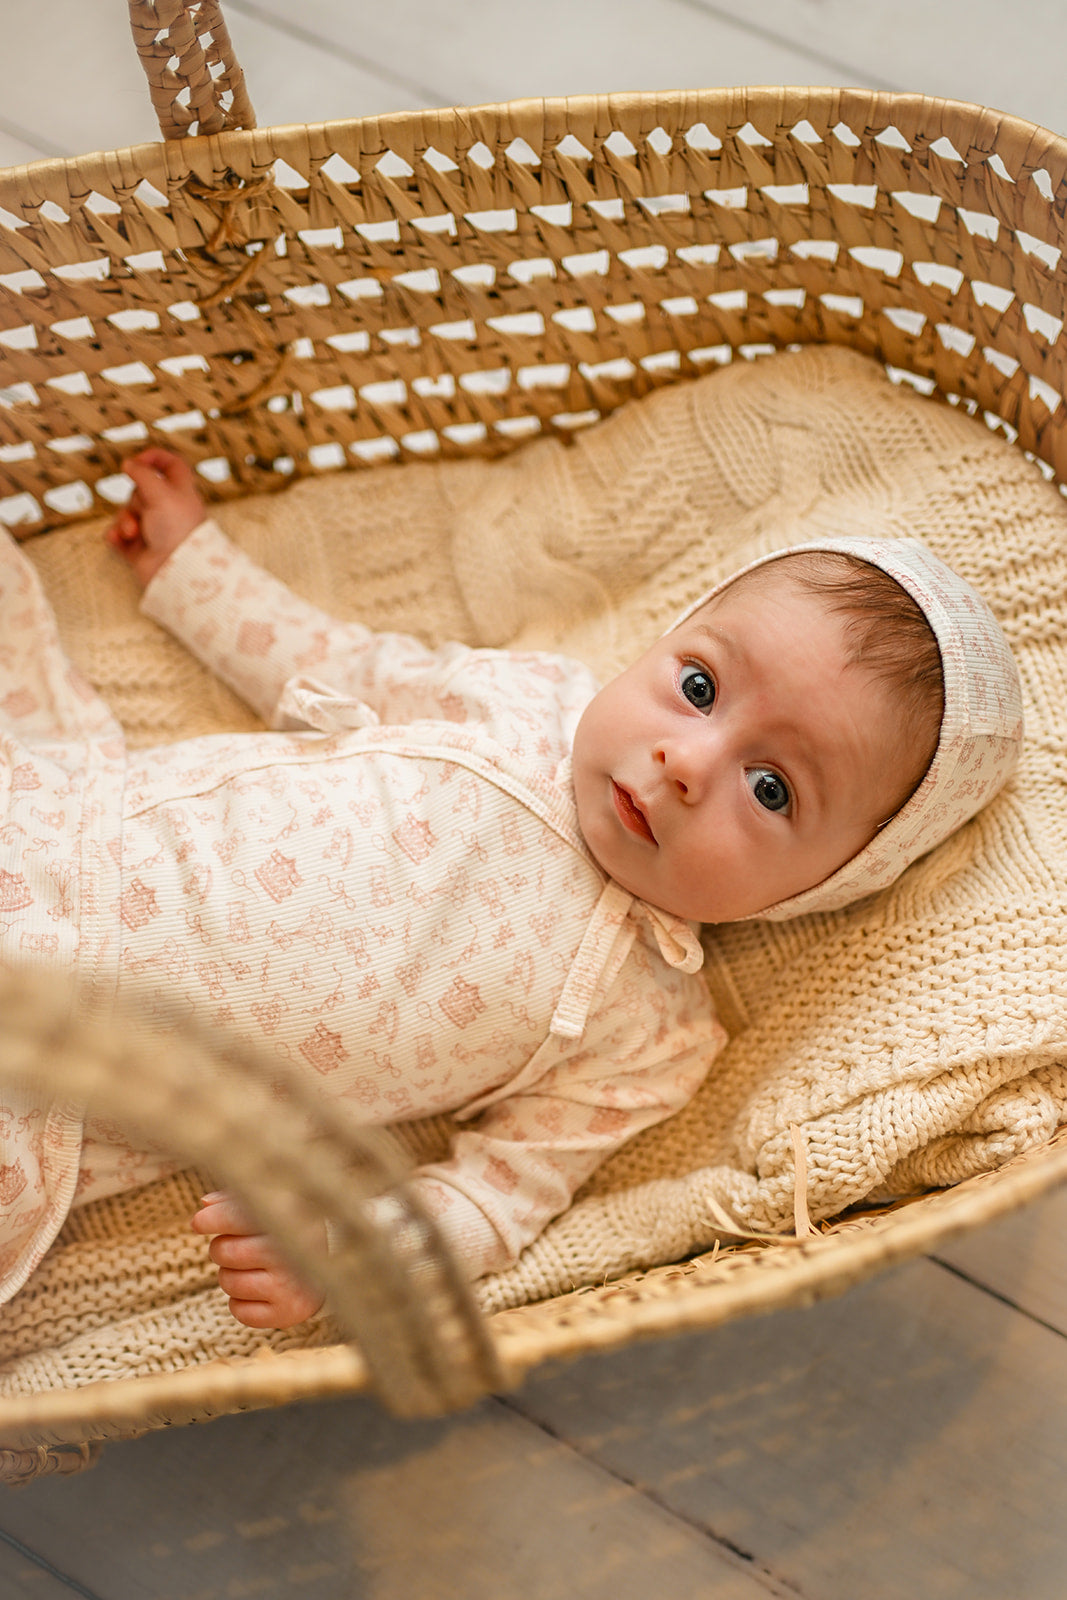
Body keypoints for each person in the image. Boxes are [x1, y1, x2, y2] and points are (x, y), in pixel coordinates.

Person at [0, 445, 1022, 1330]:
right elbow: (332, 661)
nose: (684, 762)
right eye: (698, 687)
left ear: (827, 882)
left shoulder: (649, 1033)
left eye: (770, 789)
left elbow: (495, 1199)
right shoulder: (523, 700)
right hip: (66, 827)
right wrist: (194, 570)